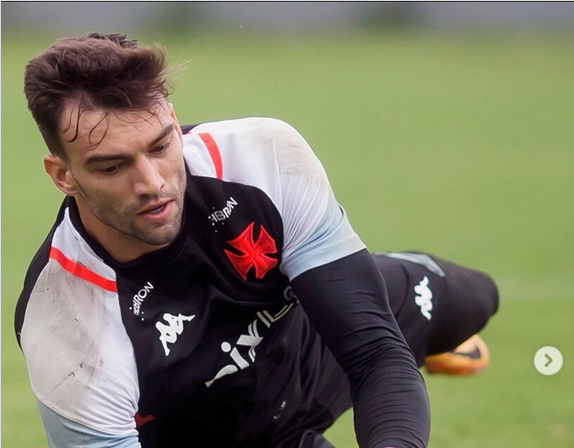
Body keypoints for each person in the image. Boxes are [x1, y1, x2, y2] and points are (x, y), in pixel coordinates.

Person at [15, 33, 498, 448]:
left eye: (161, 146)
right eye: (112, 166)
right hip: (210, 434)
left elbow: (374, 355)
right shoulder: (66, 326)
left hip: (308, 339)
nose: (153, 182)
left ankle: (418, 331)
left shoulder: (261, 157)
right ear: (63, 176)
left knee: (476, 298)